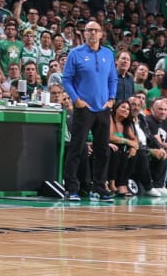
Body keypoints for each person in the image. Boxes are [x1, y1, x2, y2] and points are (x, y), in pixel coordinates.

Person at [61, 20, 117, 201]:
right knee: (77, 149)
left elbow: (113, 79)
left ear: (101, 34)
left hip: (103, 109)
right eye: (89, 30)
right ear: (84, 33)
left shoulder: (108, 54)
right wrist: (76, 100)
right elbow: (66, 79)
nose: (92, 33)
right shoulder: (75, 54)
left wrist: (112, 100)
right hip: (84, 108)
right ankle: (71, 188)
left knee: (103, 150)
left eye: (96, 30)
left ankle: (100, 187)